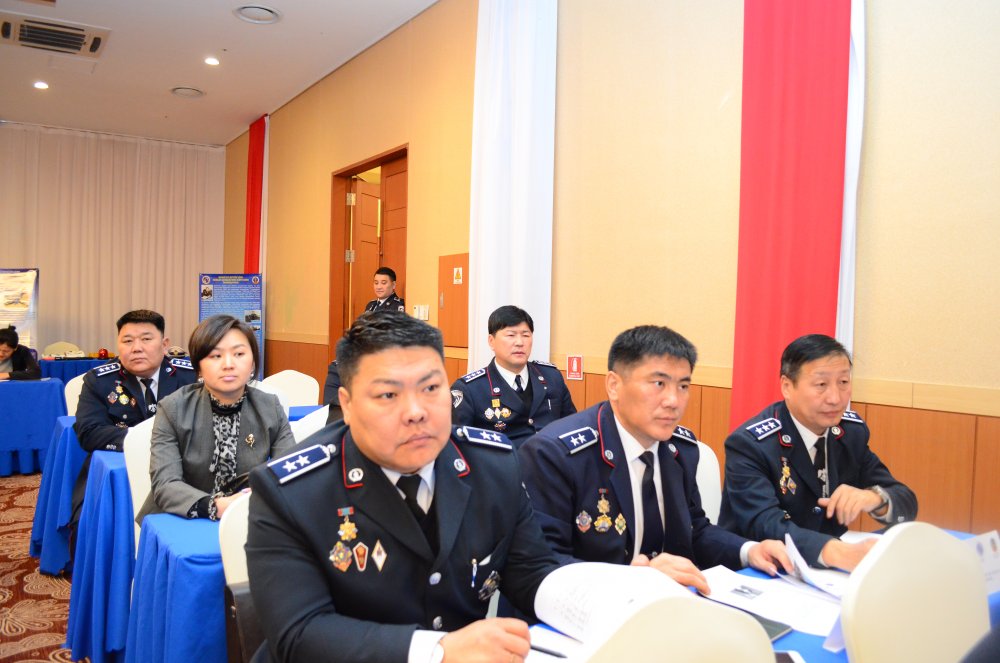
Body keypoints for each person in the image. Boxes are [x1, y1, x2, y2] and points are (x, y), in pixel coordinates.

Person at [246, 311, 562, 663]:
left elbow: (532, 572)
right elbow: (299, 635)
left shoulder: (493, 465)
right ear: (347, 405)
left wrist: (596, 600)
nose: (416, 411)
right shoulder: (291, 491)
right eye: (388, 395)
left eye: (431, 389)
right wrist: (438, 651)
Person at [519, 325, 790, 595]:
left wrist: (749, 550)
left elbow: (694, 530)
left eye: (683, 386)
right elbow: (543, 564)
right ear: (614, 385)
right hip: (589, 610)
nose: (673, 401)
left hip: (666, 604)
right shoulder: (555, 454)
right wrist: (633, 580)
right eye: (659, 383)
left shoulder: (681, 449)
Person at [719, 334, 918, 571]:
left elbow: (905, 502)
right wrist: (836, 552)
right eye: (821, 385)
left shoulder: (849, 433)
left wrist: (874, 498)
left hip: (826, 571)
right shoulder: (752, 444)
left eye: (843, 382)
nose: (835, 398)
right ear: (787, 386)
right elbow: (765, 525)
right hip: (763, 570)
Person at [137, 314, 295, 522]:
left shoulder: (270, 407)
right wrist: (218, 506)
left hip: (249, 517)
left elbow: (290, 470)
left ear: (252, 363)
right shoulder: (173, 408)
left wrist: (257, 498)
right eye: (215, 356)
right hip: (183, 519)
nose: (228, 364)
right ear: (199, 366)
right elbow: (166, 485)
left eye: (239, 354)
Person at [71, 310, 196, 535]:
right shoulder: (99, 380)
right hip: (120, 471)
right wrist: (149, 440)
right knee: (90, 524)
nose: (136, 348)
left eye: (146, 339)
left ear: (164, 344)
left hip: (183, 470)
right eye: (127, 341)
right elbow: (88, 433)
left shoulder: (190, 376)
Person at [451, 305, 576, 447]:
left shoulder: (551, 376)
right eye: (511, 335)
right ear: (491, 341)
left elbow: (571, 426)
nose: (520, 343)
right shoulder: (469, 389)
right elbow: (458, 446)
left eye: (526, 335)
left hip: (550, 457)